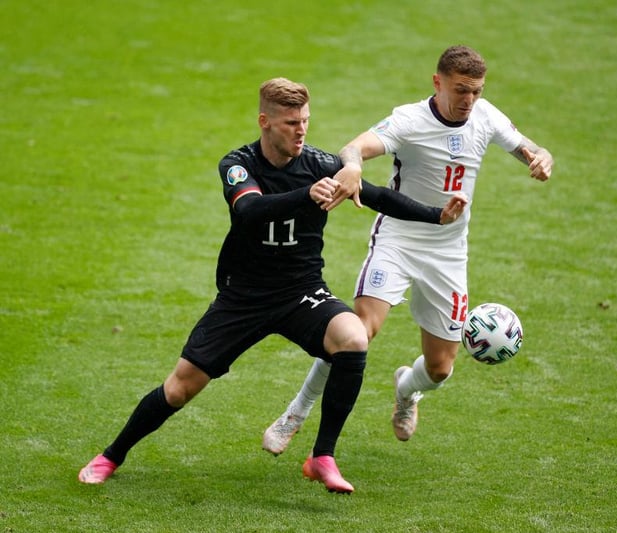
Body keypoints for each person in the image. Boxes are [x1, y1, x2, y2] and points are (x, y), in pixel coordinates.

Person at [78, 77, 467, 494]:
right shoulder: (238, 163)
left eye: (305, 121)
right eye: (290, 123)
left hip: (300, 291)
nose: (301, 131)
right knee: (179, 388)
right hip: (244, 296)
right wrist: (307, 195)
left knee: (354, 337)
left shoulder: (320, 163)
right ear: (265, 121)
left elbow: (376, 196)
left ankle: (322, 457)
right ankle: (111, 456)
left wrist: (435, 215)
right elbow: (248, 210)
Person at [263, 45, 553, 454]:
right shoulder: (409, 120)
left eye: (477, 91)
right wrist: (353, 166)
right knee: (355, 332)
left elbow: (533, 149)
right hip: (398, 239)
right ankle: (296, 412)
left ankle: (406, 391)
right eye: (461, 90)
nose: (469, 100)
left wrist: (541, 159)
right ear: (438, 83)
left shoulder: (486, 117)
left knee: (439, 368)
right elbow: (354, 147)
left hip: (448, 252)